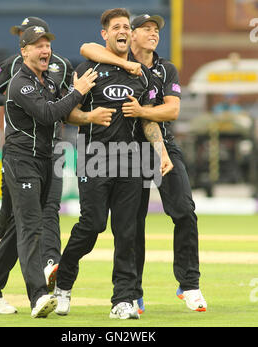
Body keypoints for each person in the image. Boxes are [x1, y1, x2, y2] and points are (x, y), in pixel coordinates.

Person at [0, 26, 114, 318]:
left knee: (17, 229)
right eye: (37, 45)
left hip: (46, 159)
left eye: (47, 45)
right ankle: (38, 295)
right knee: (30, 227)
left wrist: (87, 109)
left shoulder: (48, 82)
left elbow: (63, 110)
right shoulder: (20, 83)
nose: (45, 50)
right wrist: (78, 91)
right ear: (24, 51)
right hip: (22, 159)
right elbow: (50, 114)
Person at [80, 13, 207, 312]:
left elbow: (172, 111)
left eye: (156, 30)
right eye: (146, 29)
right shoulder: (114, 60)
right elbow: (87, 47)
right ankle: (132, 292)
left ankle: (189, 284)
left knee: (185, 211)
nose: (153, 33)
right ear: (131, 35)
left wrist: (142, 113)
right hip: (128, 151)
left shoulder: (166, 69)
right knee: (130, 225)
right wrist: (125, 64)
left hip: (162, 145)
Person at [54, 8, 173, 320]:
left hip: (132, 161)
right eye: (116, 27)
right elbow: (69, 114)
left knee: (127, 233)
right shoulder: (89, 67)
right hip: (95, 158)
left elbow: (148, 120)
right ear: (105, 34)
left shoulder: (142, 75)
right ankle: (63, 286)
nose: (122, 30)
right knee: (92, 226)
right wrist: (90, 116)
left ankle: (123, 300)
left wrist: (161, 152)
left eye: (125, 26)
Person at [0, 17, 73, 288]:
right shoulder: (12, 65)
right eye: (24, 35)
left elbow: (66, 100)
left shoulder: (62, 66)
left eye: (41, 40)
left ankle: (50, 264)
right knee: (10, 210)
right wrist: (21, 101)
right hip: (19, 146)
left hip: (51, 146)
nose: (26, 38)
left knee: (48, 209)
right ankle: (0, 241)